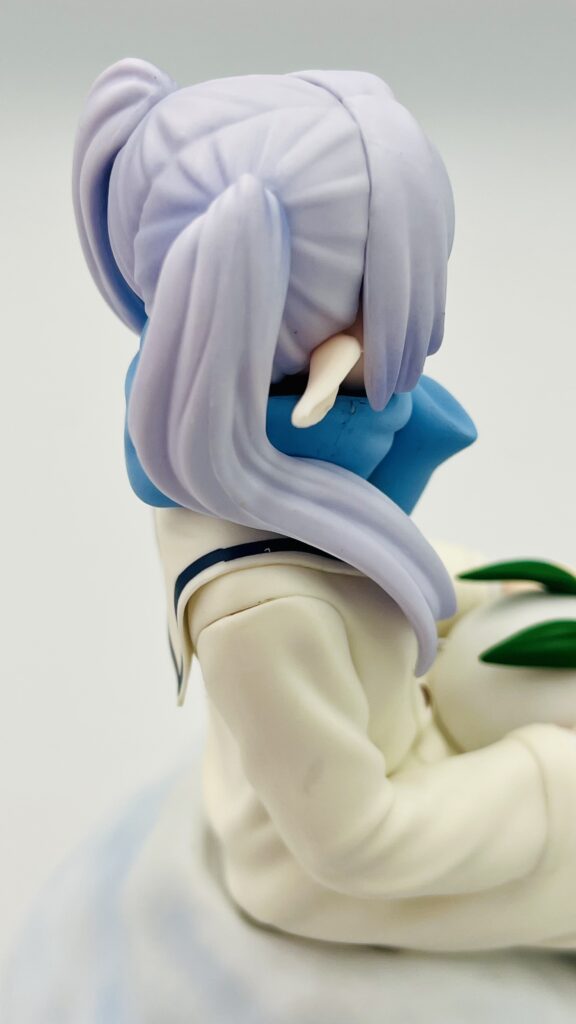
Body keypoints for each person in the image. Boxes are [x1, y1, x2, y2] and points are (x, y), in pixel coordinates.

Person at [71, 58, 576, 954]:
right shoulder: (261, 609)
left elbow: (352, 574)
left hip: (393, 724)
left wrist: (483, 591)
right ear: (325, 343)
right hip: (341, 863)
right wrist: (551, 783)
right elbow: (356, 840)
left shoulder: (240, 455)